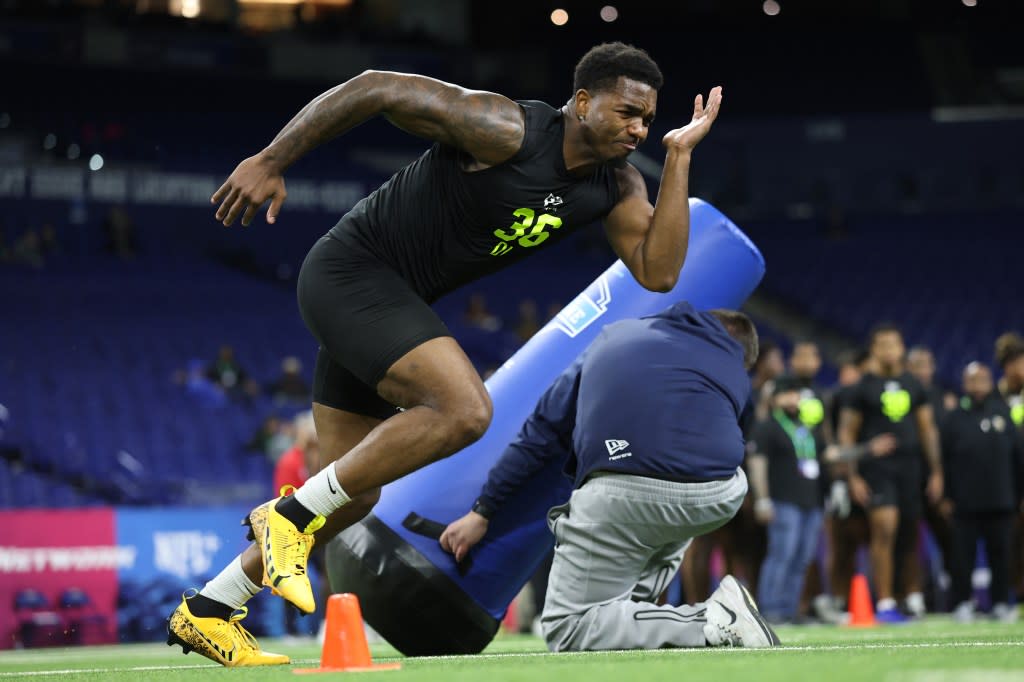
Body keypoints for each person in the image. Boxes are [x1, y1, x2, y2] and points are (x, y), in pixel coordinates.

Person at [167, 42, 725, 666]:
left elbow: (659, 271)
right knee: (465, 408)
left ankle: (211, 608)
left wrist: (676, 157)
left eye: (648, 120)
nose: (638, 128)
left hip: (389, 305)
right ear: (584, 101)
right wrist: (272, 159)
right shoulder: (505, 129)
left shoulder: (617, 182)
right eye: (628, 112)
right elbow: (378, 85)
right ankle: (289, 516)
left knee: (354, 493)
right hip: (350, 276)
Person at [439, 303, 778, 651]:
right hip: (720, 492)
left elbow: (541, 431)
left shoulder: (613, 337)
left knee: (569, 628)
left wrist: (483, 509)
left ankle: (711, 620)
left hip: (624, 487)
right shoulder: (731, 368)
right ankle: (640, 614)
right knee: (658, 529)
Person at [748, 375, 896, 623]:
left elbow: (831, 454)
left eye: (796, 394)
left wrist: (867, 449)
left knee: (802, 558)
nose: (793, 399)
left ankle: (789, 609)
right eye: (787, 394)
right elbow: (757, 463)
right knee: (782, 554)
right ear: (774, 399)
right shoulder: (768, 426)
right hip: (783, 501)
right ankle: (770, 609)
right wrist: (762, 499)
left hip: (812, 502)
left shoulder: (807, 428)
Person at [839, 324, 943, 623]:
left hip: (910, 467)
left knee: (910, 533)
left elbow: (927, 429)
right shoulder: (862, 388)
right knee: (884, 529)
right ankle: (884, 601)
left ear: (901, 348)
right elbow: (847, 433)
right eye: (882, 344)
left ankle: (911, 597)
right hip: (877, 469)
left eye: (893, 344)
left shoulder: (914, 384)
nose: (888, 350)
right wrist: (853, 476)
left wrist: (936, 472)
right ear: (874, 349)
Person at [941, 362, 1023, 623]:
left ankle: (1000, 603)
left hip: (1001, 499)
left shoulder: (1004, 412)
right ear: (964, 383)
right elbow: (943, 459)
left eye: (983, 380)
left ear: (990, 382)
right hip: (964, 501)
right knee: (962, 558)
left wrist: (1019, 494)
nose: (977, 385)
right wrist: (946, 495)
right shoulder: (954, 417)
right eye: (972, 380)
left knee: (1001, 555)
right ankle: (962, 603)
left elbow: (1018, 457)